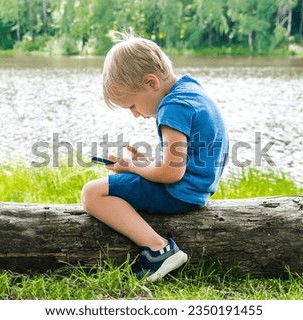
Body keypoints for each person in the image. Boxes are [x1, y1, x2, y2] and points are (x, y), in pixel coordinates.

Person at [81, 33, 229, 281]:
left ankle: (159, 249)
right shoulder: (190, 90)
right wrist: (147, 163)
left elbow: (172, 172)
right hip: (196, 188)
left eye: (132, 106)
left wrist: (133, 168)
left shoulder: (173, 107)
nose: (135, 114)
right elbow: (185, 156)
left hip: (179, 193)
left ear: (151, 83)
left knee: (91, 193)